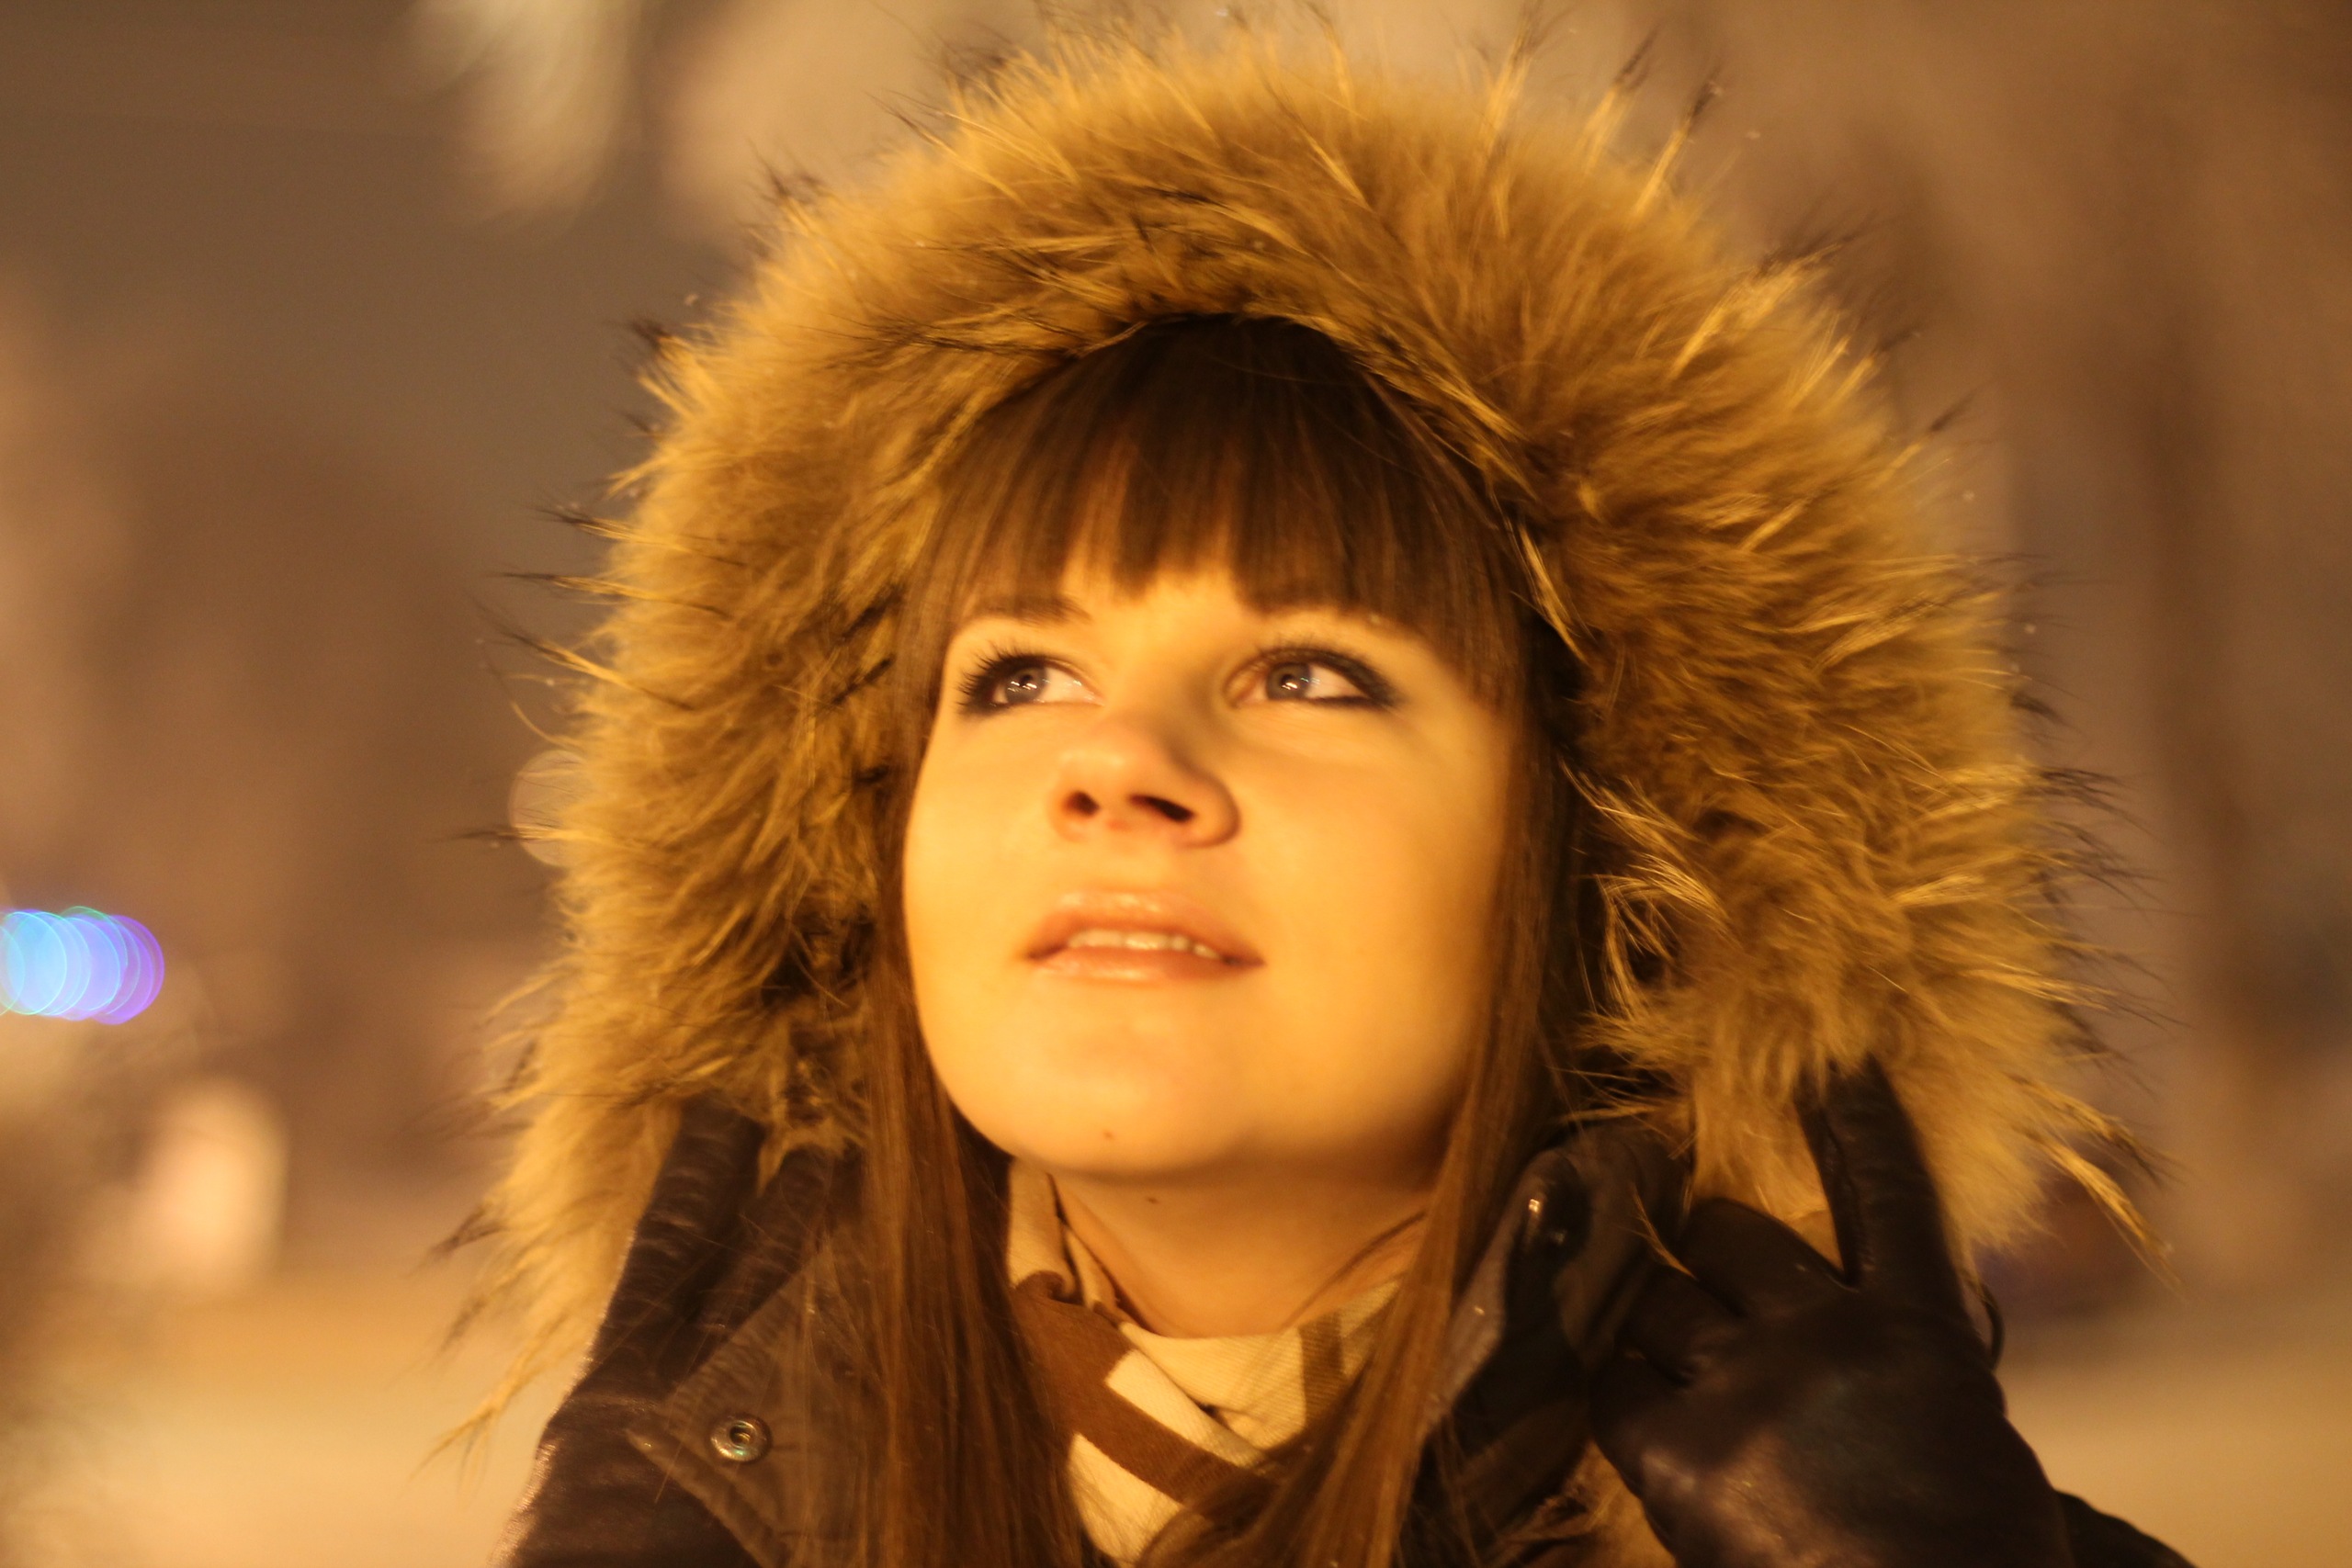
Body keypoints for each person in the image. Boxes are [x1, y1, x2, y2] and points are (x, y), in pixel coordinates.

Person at [474, 36, 2193, 1568]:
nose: (1114, 764)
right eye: (1019, 678)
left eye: (1308, 674)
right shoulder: (696, 1506)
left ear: (1616, 860)